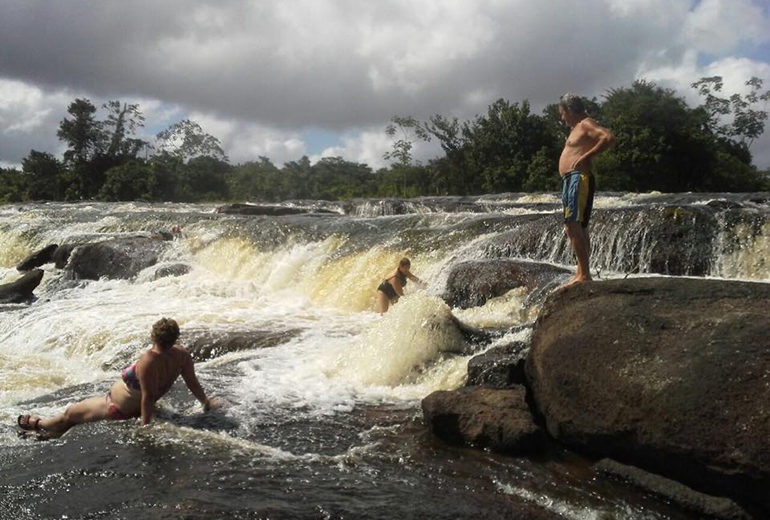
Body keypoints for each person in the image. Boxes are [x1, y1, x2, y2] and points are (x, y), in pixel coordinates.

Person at [17, 318, 221, 439]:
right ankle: (48, 435)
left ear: (153, 336)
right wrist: (206, 402)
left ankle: (40, 425)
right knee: (73, 419)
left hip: (117, 407)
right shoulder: (182, 355)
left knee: (70, 413)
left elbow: (149, 397)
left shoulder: (149, 360)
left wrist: (145, 427)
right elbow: (192, 382)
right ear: (176, 337)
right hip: (124, 405)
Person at [557, 93, 615, 286]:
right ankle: (582, 271)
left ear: (570, 110)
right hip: (570, 179)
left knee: (573, 225)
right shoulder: (576, 128)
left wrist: (585, 157)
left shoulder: (585, 124)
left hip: (578, 178)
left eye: (562, 113)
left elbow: (608, 137)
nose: (562, 118)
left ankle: (584, 274)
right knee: (576, 226)